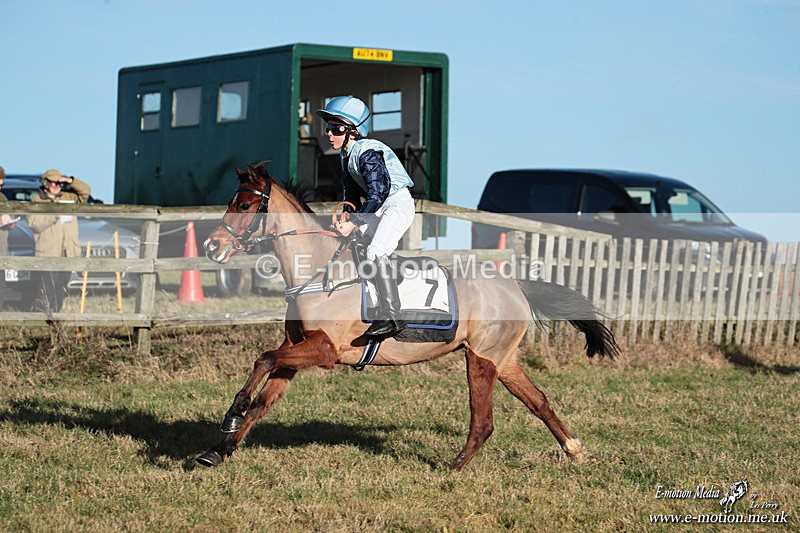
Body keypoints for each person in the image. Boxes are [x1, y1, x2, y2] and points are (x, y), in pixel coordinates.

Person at [315, 96, 415, 338]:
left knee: (376, 251)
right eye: (328, 127)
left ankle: (393, 317)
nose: (329, 133)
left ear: (353, 131)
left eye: (336, 128)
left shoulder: (367, 151)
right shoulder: (346, 155)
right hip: (379, 207)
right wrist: (346, 217)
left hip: (395, 205)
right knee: (354, 243)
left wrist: (354, 222)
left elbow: (378, 193)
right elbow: (352, 194)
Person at [27, 169, 91, 312]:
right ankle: (40, 315)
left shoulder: (68, 196)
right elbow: (34, 223)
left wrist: (70, 181)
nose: (58, 186)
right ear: (46, 183)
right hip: (48, 252)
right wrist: (53, 216)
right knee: (47, 287)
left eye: (60, 183)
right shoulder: (37, 200)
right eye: (54, 183)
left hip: (67, 251)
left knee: (61, 287)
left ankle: (56, 316)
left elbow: (85, 191)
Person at [0, 166, 17, 311]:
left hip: (1, 253)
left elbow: (9, 214)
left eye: (1, 185)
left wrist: (10, 221)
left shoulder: (3, 198)